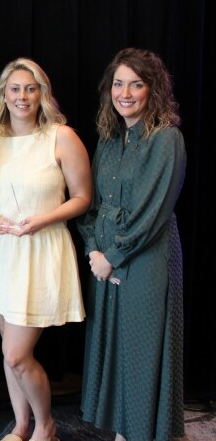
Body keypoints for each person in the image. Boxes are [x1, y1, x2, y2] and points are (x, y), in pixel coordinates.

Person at [0, 58, 91, 441]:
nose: (22, 96)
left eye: (30, 88)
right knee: (9, 350)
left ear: (42, 94)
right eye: (15, 89)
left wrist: (43, 219)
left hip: (40, 251)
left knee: (17, 354)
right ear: (4, 94)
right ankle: (21, 427)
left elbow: (83, 198)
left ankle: (46, 426)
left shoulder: (61, 136)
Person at [77, 48, 186, 441]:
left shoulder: (166, 138)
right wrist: (93, 250)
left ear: (152, 90)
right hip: (103, 260)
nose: (125, 93)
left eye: (136, 84)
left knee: (141, 352)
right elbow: (91, 203)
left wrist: (114, 258)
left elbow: (152, 213)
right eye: (118, 84)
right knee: (114, 350)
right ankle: (123, 432)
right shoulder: (109, 139)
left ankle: (144, 433)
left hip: (145, 260)